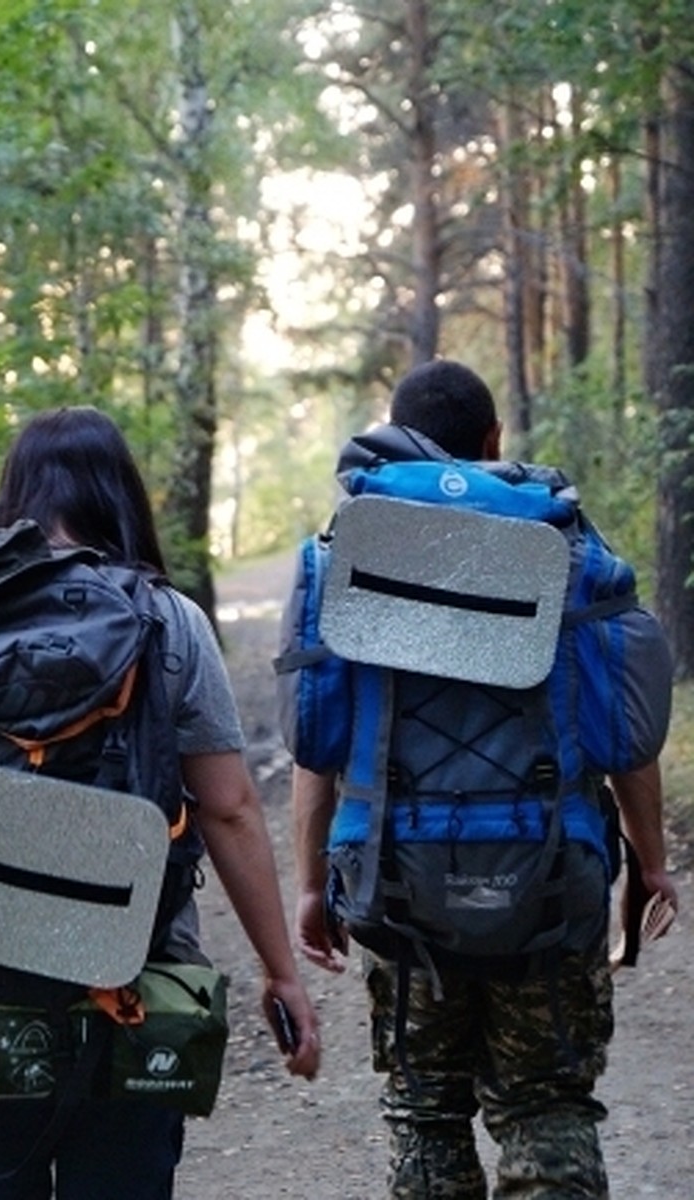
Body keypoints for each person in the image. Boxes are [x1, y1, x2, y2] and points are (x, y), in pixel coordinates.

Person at [0, 405, 321, 1200]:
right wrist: (283, 975)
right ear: (120, 496)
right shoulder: (169, 621)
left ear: (16, 496)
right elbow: (231, 808)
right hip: (129, 979)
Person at [281, 359, 679, 1199]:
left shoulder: (347, 549)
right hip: (549, 869)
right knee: (547, 1105)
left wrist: (311, 883)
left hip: (395, 875)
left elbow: (319, 737)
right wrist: (650, 864)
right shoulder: (566, 544)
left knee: (425, 1110)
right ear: (494, 441)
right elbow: (624, 733)